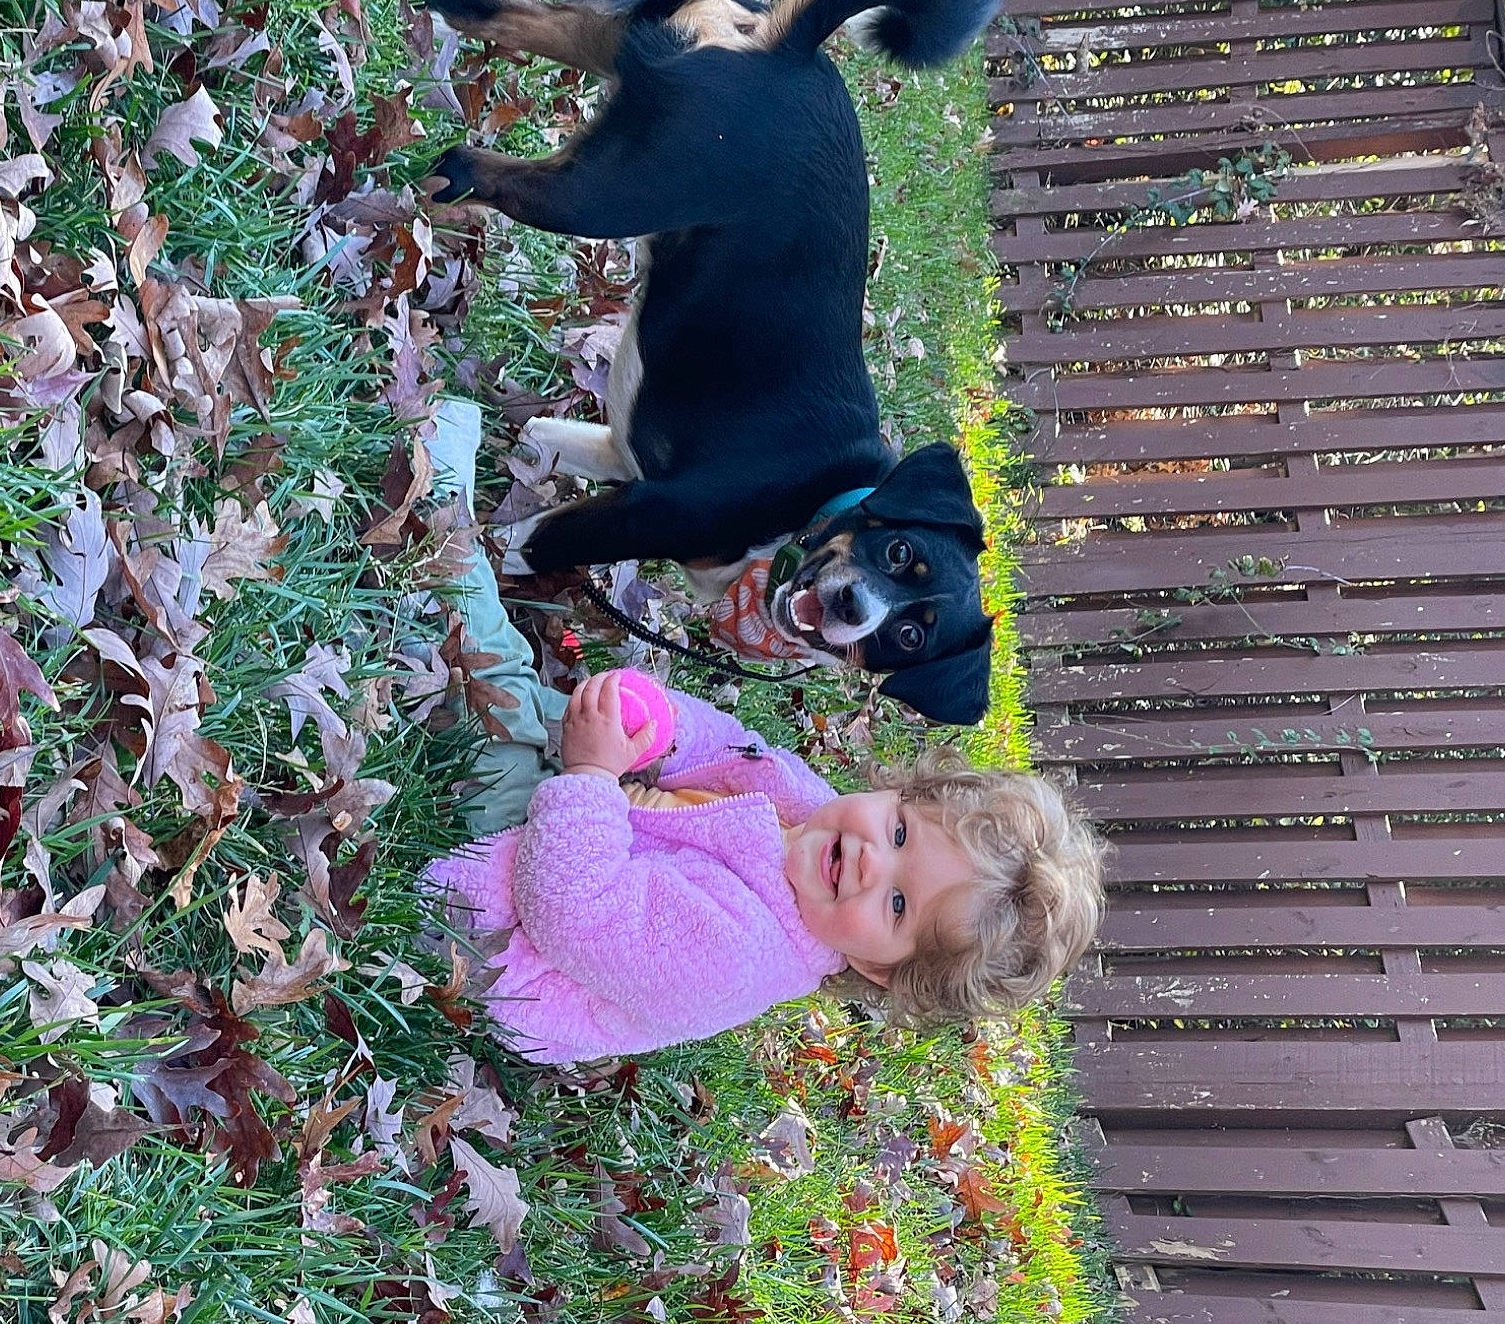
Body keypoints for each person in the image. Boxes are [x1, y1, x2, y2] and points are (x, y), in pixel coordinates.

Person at [423, 400, 1108, 1065]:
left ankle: (436, 522)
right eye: (900, 832)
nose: (874, 860)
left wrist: (594, 778)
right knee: (556, 709)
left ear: (875, 968)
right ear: (899, 793)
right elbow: (726, 750)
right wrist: (658, 728)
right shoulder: (804, 808)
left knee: (500, 691)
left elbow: (571, 914)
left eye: (899, 903)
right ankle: (451, 579)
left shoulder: (737, 955)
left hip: (504, 923)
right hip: (595, 834)